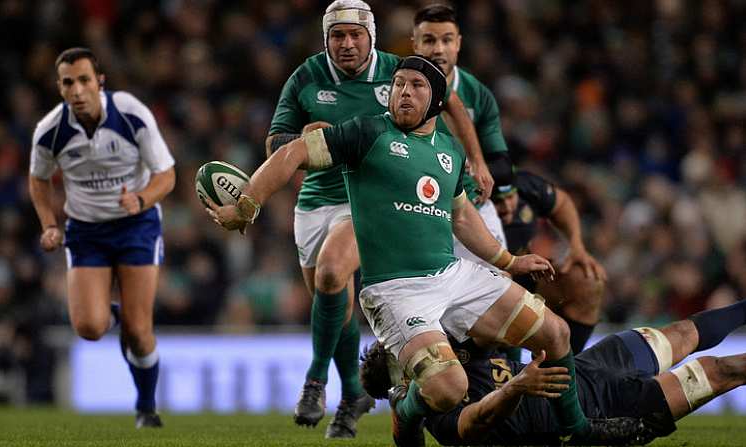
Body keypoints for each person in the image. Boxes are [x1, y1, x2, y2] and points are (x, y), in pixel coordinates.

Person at [210, 55, 623, 446]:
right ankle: (404, 413)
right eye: (398, 84)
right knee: (449, 388)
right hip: (396, 290)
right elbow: (293, 151)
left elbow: (462, 217)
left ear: (437, 101)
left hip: (453, 276)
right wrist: (247, 203)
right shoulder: (366, 132)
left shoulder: (449, 150)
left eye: (417, 86)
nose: (404, 92)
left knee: (556, 333)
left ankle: (578, 431)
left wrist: (510, 261)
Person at [265, 0, 493, 438]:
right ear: (325, 38)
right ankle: (354, 391)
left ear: (370, 35)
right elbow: (276, 141)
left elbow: (453, 105)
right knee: (335, 307)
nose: (347, 44)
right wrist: (301, 139)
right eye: (337, 36)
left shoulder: (399, 70)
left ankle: (315, 380)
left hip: (370, 197)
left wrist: (477, 160)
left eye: (355, 35)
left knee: (333, 272)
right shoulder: (306, 77)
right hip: (315, 202)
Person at [359, 298, 746, 446]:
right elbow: (479, 419)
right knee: (720, 370)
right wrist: (516, 388)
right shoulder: (441, 420)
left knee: (681, 333)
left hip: (588, 367)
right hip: (603, 409)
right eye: (411, 360)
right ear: (405, 383)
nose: (425, 353)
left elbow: (485, 325)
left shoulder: (453, 353)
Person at [28, 47, 175, 428]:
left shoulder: (130, 113)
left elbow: (167, 175)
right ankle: (115, 314)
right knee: (90, 328)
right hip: (86, 230)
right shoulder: (50, 131)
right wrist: (48, 223)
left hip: (136, 224)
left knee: (140, 334)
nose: (77, 90)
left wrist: (140, 199)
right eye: (67, 83)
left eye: (83, 81)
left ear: (100, 82)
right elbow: (38, 179)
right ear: (59, 88)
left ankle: (146, 407)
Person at [411, 3, 510, 267]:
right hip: (419, 217)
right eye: (429, 40)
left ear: (459, 43)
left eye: (447, 40)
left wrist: (504, 186)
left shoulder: (478, 95)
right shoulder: (398, 91)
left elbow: (500, 163)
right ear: (415, 44)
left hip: (473, 212)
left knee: (504, 298)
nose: (438, 49)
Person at [489, 158, 608, 356]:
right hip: (478, 284)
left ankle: (565, 368)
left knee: (587, 279)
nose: (507, 207)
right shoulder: (463, 199)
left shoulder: (526, 184)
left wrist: (576, 244)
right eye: (497, 201)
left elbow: (562, 203)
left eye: (510, 197)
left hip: (519, 275)